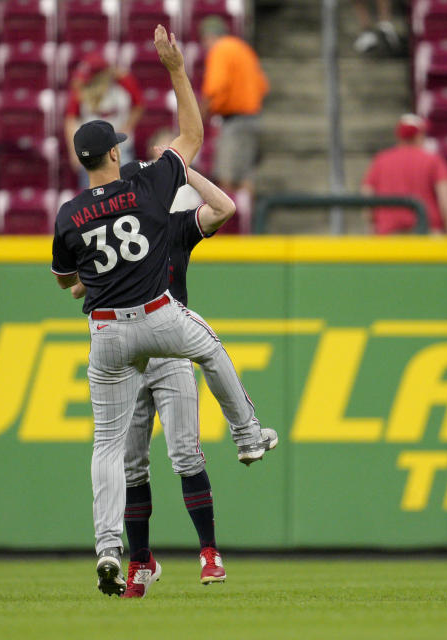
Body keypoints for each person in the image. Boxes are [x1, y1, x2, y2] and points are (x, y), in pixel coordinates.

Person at [51, 25, 277, 597]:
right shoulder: (151, 188)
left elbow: (66, 283)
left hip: (105, 332)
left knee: (107, 447)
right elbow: (194, 132)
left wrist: (97, 274)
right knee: (211, 348)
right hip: (157, 314)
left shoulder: (68, 213)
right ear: (113, 152)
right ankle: (248, 434)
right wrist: (175, 68)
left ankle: (108, 548)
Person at [69, 148, 238, 597]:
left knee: (185, 453)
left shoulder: (174, 225)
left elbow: (223, 209)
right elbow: (78, 284)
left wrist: (186, 169)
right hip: (127, 355)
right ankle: (141, 561)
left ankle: (209, 551)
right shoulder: (124, 232)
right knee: (131, 465)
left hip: (169, 347)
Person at [199, 16, 269, 198]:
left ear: (210, 36)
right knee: (245, 178)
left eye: (204, 40)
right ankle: (247, 223)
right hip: (253, 118)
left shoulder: (221, 49)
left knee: (226, 178)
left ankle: (230, 226)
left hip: (236, 121)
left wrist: (201, 114)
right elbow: (263, 86)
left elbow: (215, 87)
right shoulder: (243, 48)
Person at [361, 114, 447, 234]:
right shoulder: (433, 160)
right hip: (425, 234)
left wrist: (371, 224)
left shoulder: (381, 160)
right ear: (419, 135)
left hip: (389, 236)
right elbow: (446, 195)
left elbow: (367, 194)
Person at [64, 52, 145, 185]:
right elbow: (71, 119)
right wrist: (74, 152)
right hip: (91, 150)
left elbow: (138, 105)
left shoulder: (123, 81)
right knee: (93, 196)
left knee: (124, 189)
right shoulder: (80, 88)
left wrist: (127, 127)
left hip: (120, 147)